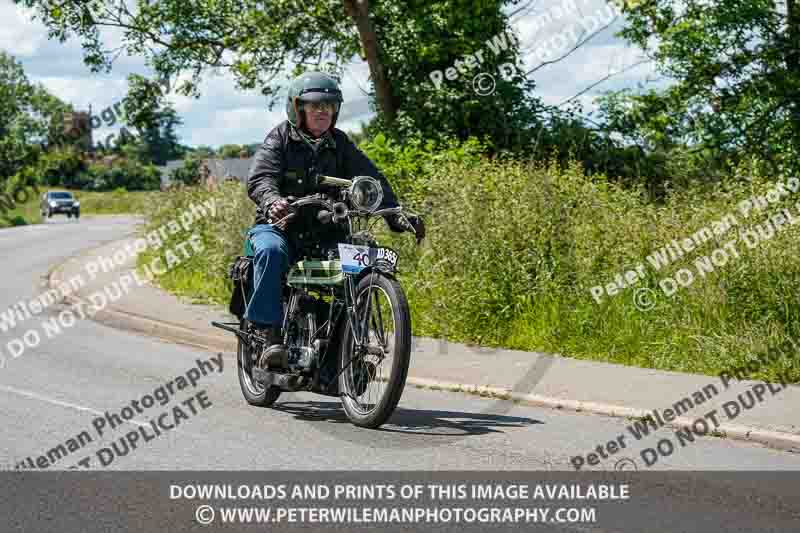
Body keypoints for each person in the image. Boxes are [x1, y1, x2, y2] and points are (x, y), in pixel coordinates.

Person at [245, 71, 425, 369]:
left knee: (363, 262)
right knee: (270, 251)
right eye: (315, 105)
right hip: (281, 226)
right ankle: (270, 335)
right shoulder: (279, 139)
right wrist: (272, 201)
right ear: (297, 108)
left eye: (328, 106)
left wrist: (397, 215)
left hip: (326, 230)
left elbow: (372, 180)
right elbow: (260, 178)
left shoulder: (340, 143)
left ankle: (347, 349)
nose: (322, 111)